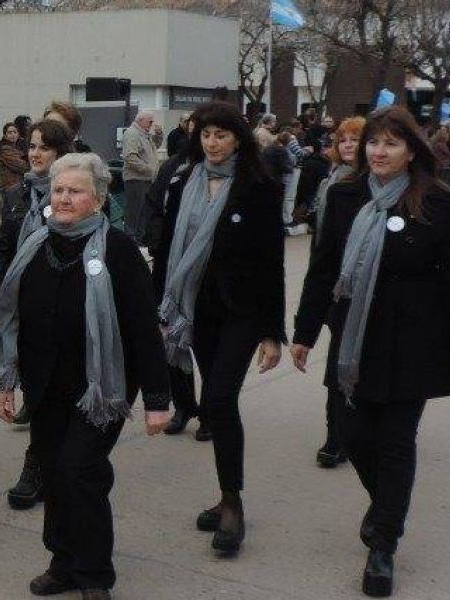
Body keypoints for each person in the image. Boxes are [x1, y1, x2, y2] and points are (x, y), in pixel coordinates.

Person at [291, 106, 450, 597]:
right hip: (353, 342)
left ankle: (383, 545)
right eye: (374, 143)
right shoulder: (343, 196)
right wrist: (305, 331)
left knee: (396, 442)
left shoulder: (440, 203)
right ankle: (385, 509)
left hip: (413, 344)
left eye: (391, 144)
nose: (379, 152)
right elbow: (322, 269)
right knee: (353, 436)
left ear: (411, 151)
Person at [0, 152, 171, 600]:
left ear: (99, 200)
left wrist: (158, 400)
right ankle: (62, 562)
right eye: (58, 190)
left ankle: (95, 574)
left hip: (100, 389)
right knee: (52, 470)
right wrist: (5, 381)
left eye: (75, 191)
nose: (63, 198)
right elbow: (12, 320)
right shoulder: (35, 245)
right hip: (44, 386)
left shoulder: (119, 251)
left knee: (79, 471)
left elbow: (143, 328)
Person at [153, 101, 285, 557]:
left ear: (238, 139)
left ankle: (232, 503)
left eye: (222, 135)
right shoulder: (183, 179)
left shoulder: (258, 187)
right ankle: (224, 492)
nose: (212, 143)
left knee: (221, 398)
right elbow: (167, 245)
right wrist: (158, 307)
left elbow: (272, 263)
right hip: (196, 309)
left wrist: (272, 332)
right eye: (206, 134)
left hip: (240, 311)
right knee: (212, 398)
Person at [0, 119, 75, 510]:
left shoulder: (71, 194)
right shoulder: (18, 192)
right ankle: (35, 466)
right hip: (25, 305)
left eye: (44, 148)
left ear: (61, 155)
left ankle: (58, 462)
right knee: (37, 388)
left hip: (64, 306)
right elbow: (4, 246)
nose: (35, 154)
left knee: (61, 391)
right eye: (32, 147)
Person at [145, 115, 210, 440]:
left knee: (205, 344)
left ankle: (211, 412)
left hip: (207, 276)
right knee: (170, 339)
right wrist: (158, 243)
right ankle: (184, 405)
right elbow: (154, 206)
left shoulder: (230, 175)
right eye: (197, 127)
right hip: (169, 270)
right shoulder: (173, 167)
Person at [307, 115, 365, 469]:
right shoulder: (330, 182)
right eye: (342, 139)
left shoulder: (367, 185)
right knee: (337, 359)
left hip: (359, 283)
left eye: (355, 140)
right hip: (332, 281)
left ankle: (351, 431)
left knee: (354, 357)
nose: (346, 145)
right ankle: (335, 434)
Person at [121, 110, 158, 246]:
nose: (152, 124)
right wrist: (148, 169)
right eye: (150, 121)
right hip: (136, 179)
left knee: (143, 210)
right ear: (141, 121)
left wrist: (158, 135)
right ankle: (130, 240)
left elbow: (154, 149)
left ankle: (140, 238)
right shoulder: (132, 134)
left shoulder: (144, 135)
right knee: (134, 210)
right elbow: (130, 157)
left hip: (146, 179)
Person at [0, 122, 29, 193]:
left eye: (15, 132)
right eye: (10, 132)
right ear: (5, 135)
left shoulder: (18, 147)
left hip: (16, 186)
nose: (13, 135)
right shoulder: (5, 150)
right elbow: (22, 166)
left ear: (18, 134)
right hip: (10, 187)